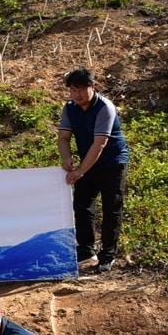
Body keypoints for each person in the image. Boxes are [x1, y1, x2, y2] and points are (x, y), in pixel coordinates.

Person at [56, 68, 129, 274]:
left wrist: (79, 171)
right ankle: (86, 250)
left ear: (93, 87)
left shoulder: (105, 107)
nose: (77, 95)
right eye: (72, 90)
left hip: (111, 163)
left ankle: (108, 255)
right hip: (88, 163)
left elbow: (100, 144)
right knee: (82, 206)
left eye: (81, 89)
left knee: (111, 210)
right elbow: (63, 138)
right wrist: (67, 157)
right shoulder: (70, 108)